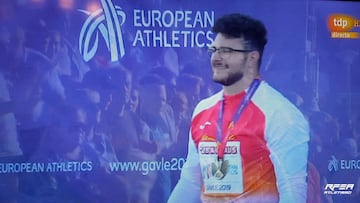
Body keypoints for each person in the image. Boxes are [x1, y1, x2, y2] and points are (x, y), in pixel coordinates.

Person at [168, 13, 309, 203]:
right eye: (214, 50)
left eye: (226, 51)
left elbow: (292, 189)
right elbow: (190, 182)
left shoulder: (280, 113)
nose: (216, 58)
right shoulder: (203, 109)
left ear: (252, 58)